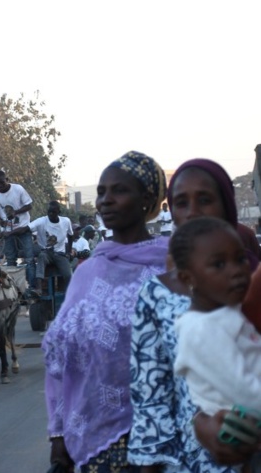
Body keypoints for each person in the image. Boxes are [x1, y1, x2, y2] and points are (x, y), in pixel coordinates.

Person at [129, 157, 261, 472]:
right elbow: (152, 393)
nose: (193, 212)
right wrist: (153, 461)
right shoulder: (154, 295)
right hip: (189, 460)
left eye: (205, 199)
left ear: (226, 206)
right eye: (181, 202)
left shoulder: (253, 283)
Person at [45, 151, 168, 472]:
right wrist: (58, 434)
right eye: (101, 192)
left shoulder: (171, 267)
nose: (106, 201)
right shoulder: (88, 272)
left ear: (147, 199)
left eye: (120, 190)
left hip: (165, 441)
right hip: (93, 442)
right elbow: (60, 356)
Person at [173, 218, 261, 423]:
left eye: (240, 259)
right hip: (244, 435)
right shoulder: (201, 329)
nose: (237, 270)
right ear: (188, 278)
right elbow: (247, 395)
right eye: (219, 264)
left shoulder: (228, 310)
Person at [0, 170, 35, 276]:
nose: (0, 186)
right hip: (7, 231)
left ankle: (32, 287)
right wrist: (0, 220)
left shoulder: (18, 189)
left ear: (7, 180)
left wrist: (16, 212)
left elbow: (29, 205)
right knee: (10, 259)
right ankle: (13, 286)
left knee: (29, 258)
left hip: (23, 228)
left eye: (2, 183)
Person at [27, 200, 74, 295]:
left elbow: (71, 235)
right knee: (41, 257)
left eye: (54, 212)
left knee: (68, 274)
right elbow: (27, 228)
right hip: (46, 252)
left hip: (60, 254)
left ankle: (69, 292)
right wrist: (10, 233)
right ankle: (38, 288)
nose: (51, 214)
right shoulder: (41, 221)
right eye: (49, 212)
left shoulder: (66, 221)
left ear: (59, 212)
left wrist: (68, 251)